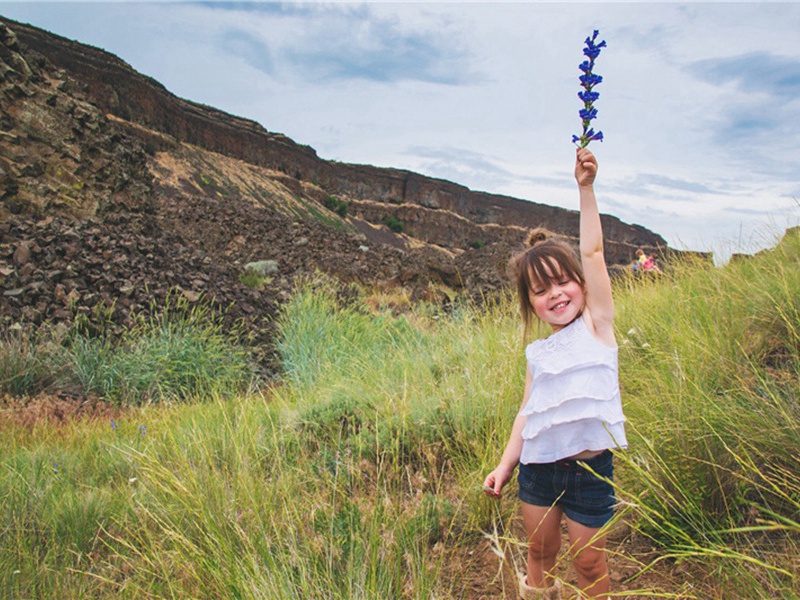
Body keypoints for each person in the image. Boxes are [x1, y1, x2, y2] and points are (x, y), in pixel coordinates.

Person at [483, 148, 627, 600]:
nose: (556, 294)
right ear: (532, 304)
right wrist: (506, 464)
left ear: (582, 284)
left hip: (590, 472)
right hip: (538, 470)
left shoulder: (597, 325)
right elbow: (527, 414)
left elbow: (594, 250)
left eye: (563, 282)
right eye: (541, 291)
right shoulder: (537, 353)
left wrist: (585, 189)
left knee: (589, 561)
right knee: (539, 555)